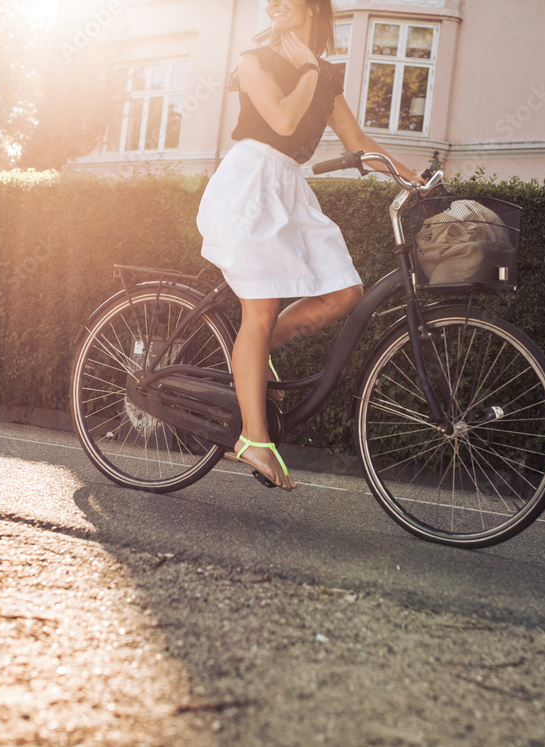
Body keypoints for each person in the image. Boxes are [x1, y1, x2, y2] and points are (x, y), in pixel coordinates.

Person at [197, 0, 424, 491]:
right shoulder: (254, 59)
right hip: (248, 185)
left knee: (344, 292)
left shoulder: (324, 74)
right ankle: (253, 439)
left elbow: (358, 141)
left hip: (289, 188)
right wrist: (306, 69)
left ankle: (247, 358)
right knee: (259, 313)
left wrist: (416, 179)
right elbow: (281, 120)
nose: (274, 5)